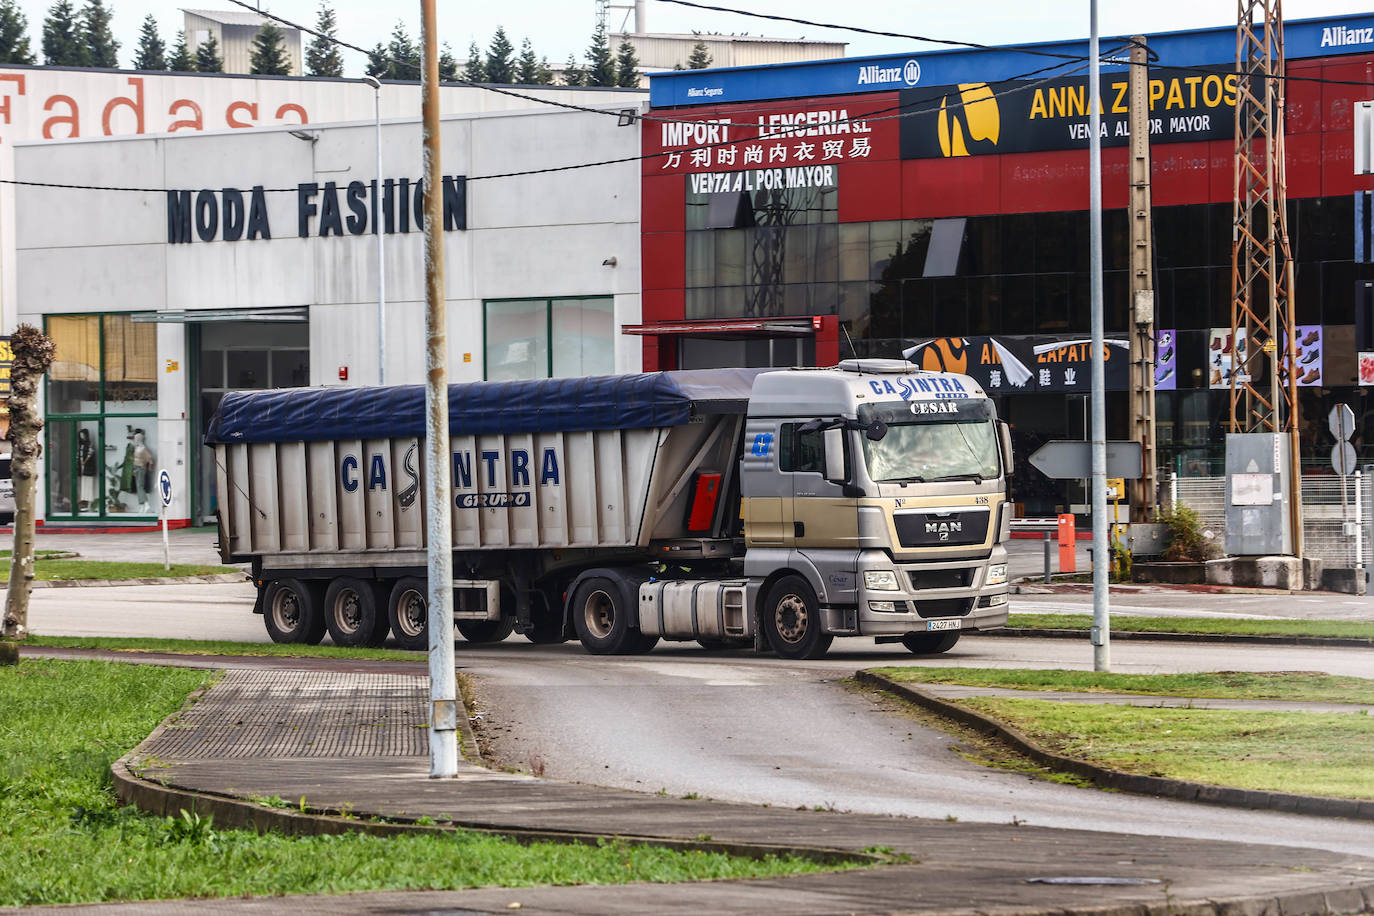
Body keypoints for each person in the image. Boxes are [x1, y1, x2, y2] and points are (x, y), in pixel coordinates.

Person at [132, 429, 155, 513]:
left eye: (136, 439)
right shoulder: (137, 448)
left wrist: (149, 468)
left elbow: (150, 459)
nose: (135, 440)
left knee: (140, 486)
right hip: (136, 468)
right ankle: (142, 504)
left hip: (141, 468)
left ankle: (146, 503)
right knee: (138, 487)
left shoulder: (143, 449)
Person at [77, 429, 97, 511]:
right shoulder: (81, 445)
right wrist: (79, 461)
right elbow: (79, 455)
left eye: (83, 435)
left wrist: (84, 461)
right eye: (81, 435)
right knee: (83, 485)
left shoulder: (90, 444)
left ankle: (89, 503)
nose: (82, 437)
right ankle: (84, 502)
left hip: (88, 468)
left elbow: (90, 453)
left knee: (89, 485)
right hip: (82, 468)